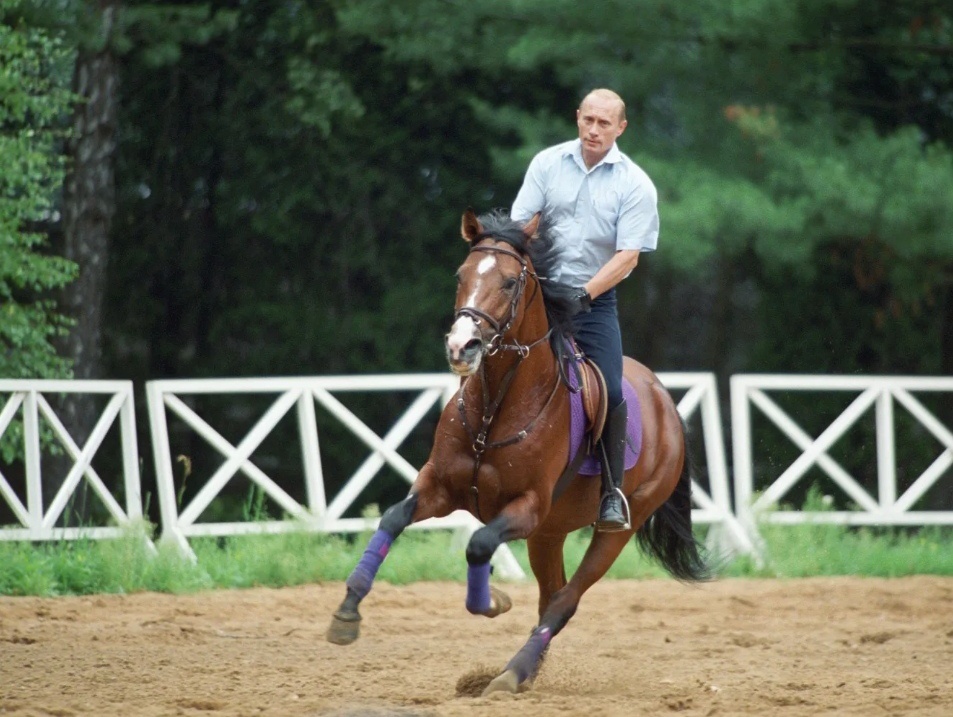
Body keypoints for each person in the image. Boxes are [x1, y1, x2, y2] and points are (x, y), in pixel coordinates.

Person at [510, 88, 659, 532]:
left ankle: (612, 493)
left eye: (604, 123)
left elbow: (628, 256)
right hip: (538, 293)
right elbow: (522, 227)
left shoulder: (636, 184)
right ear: (577, 118)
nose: (594, 130)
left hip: (593, 302)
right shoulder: (546, 164)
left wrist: (584, 295)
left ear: (621, 128)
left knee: (610, 391)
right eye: (588, 120)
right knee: (490, 358)